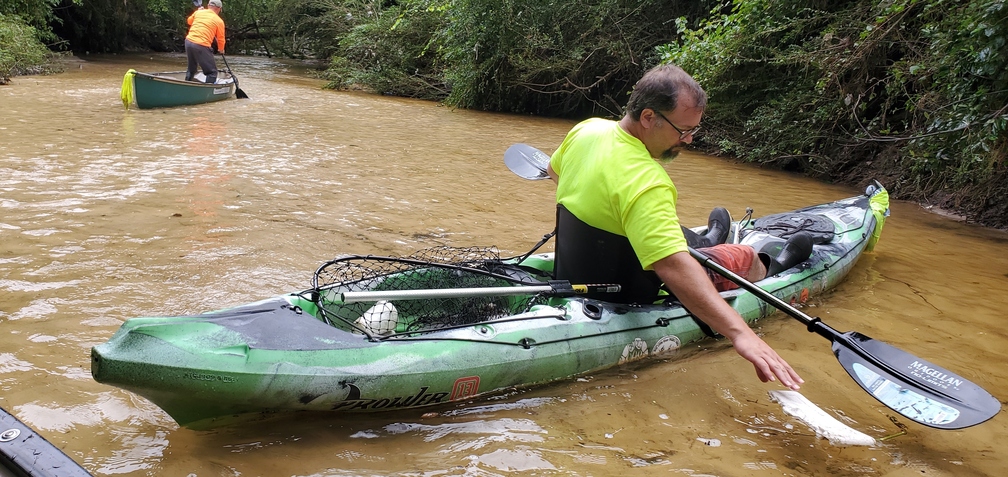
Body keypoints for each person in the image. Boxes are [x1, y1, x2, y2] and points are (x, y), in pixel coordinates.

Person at [547, 63, 809, 390]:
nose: (688, 140)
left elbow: (554, 171)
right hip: (630, 290)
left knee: (665, 232)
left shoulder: (587, 131)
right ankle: (779, 264)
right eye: (683, 130)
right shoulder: (648, 181)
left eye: (693, 131)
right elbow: (672, 266)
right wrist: (741, 334)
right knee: (743, 255)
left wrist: (600, 209)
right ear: (648, 117)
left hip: (577, 274)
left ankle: (706, 238)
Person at [185, 0, 226, 84]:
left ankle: (186, 85)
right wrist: (221, 49)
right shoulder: (219, 21)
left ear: (208, 5)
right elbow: (221, 38)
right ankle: (208, 92)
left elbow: (189, 21)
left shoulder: (198, 13)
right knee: (212, 72)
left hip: (188, 42)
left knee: (191, 69)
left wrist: (197, 12)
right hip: (201, 45)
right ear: (219, 9)